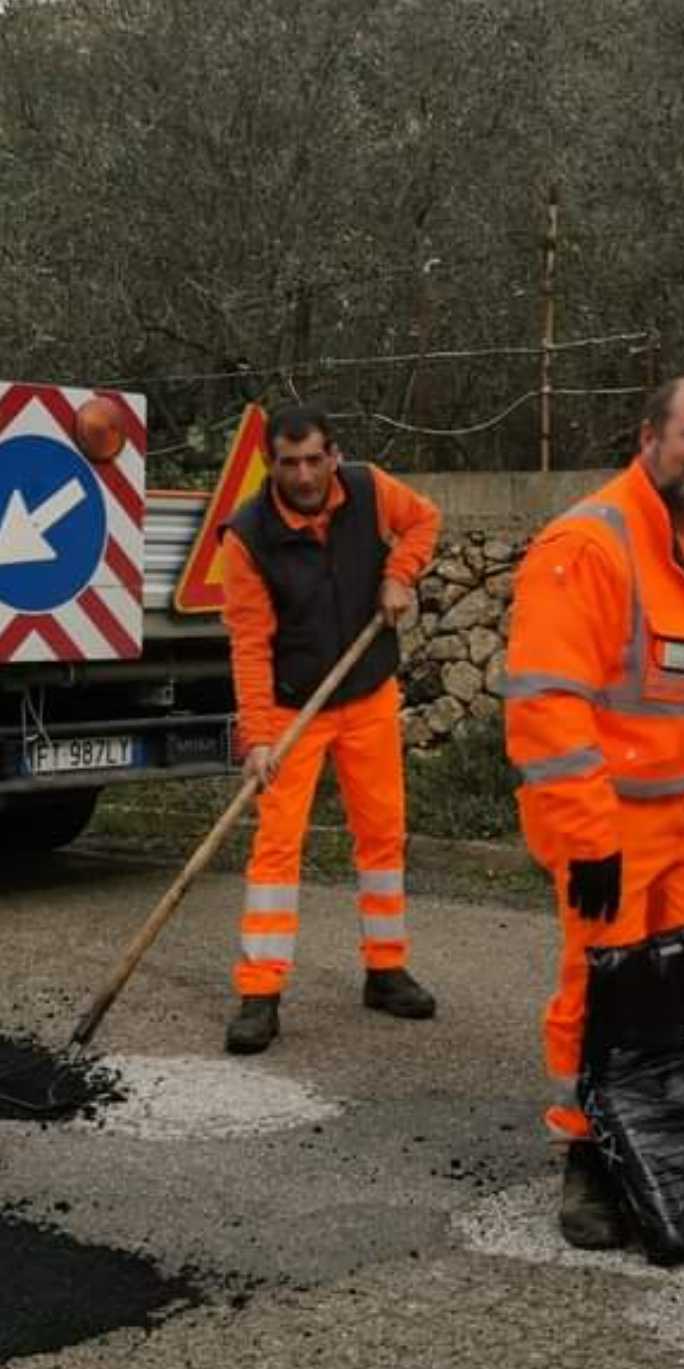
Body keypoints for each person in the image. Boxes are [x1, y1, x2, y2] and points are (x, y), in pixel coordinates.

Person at [504, 376, 684, 1249]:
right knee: (604, 995)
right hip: (613, 826)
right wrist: (589, 839)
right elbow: (548, 707)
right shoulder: (588, 546)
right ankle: (588, 1159)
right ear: (650, 439)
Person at [217, 405, 443, 1055]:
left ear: (333, 455)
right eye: (289, 463)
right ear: (270, 464)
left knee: (382, 833)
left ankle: (386, 970)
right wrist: (258, 737)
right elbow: (250, 646)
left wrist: (399, 575)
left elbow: (424, 520)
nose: (304, 475)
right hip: (293, 708)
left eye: (315, 459)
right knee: (277, 846)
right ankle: (260, 992)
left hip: (368, 691)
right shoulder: (248, 537)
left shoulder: (370, 490)